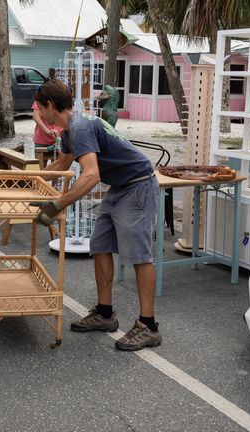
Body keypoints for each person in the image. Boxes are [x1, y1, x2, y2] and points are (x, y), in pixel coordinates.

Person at [30, 80, 161, 351]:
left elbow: (91, 175)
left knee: (139, 256)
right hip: (119, 186)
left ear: (51, 106)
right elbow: (62, 165)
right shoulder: (70, 130)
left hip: (138, 185)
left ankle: (148, 326)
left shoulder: (80, 128)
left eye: (41, 108)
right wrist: (28, 181)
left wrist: (57, 205)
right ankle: (104, 313)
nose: (40, 114)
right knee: (99, 246)